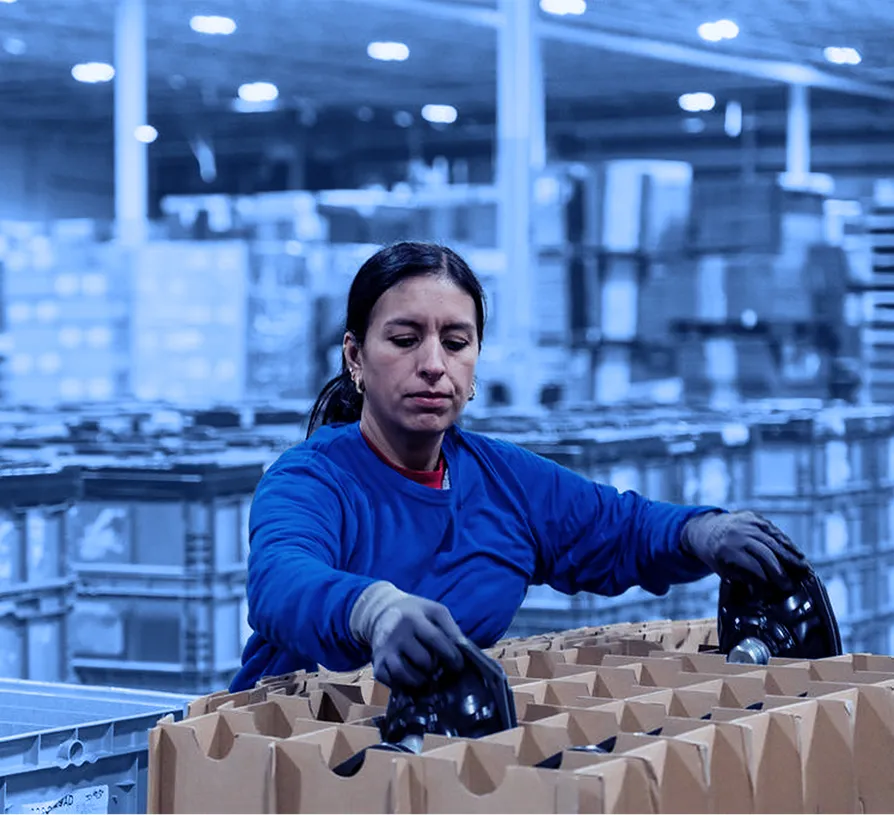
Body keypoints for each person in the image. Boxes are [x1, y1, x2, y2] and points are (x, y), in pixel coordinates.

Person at [230, 241, 809, 692]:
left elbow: (616, 528)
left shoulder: (502, 481)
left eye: (456, 343)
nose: (434, 364)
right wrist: (371, 610)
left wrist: (699, 531)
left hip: (427, 750)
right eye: (405, 339)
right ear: (355, 357)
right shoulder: (311, 479)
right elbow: (281, 579)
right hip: (293, 754)